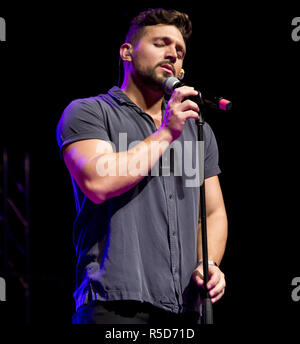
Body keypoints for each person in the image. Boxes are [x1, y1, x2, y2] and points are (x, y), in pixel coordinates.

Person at [56, 8, 227, 324]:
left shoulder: (196, 130)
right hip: (115, 306)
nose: (172, 54)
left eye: (179, 51)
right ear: (126, 52)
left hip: (186, 310)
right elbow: (97, 182)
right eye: (161, 43)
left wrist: (209, 262)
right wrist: (165, 134)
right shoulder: (89, 113)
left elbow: (213, 212)